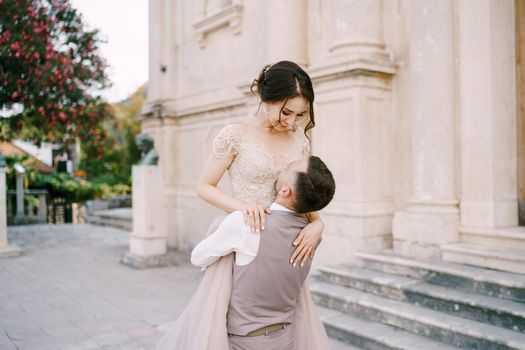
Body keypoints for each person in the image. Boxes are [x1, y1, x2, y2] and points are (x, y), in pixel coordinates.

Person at [157, 61, 330, 350]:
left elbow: (303, 191)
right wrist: (242, 207)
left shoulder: (298, 139)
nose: (291, 121)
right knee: (226, 326)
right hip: (242, 235)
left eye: (300, 115)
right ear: (265, 97)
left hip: (281, 247)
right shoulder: (235, 135)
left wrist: (318, 224)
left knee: (285, 324)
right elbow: (203, 186)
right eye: (286, 112)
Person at [191, 156, 336, 350]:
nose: (285, 165)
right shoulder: (312, 236)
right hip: (287, 338)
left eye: (290, 166)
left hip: (245, 342)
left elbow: (197, 257)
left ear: (285, 191)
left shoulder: (246, 225)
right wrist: (318, 223)